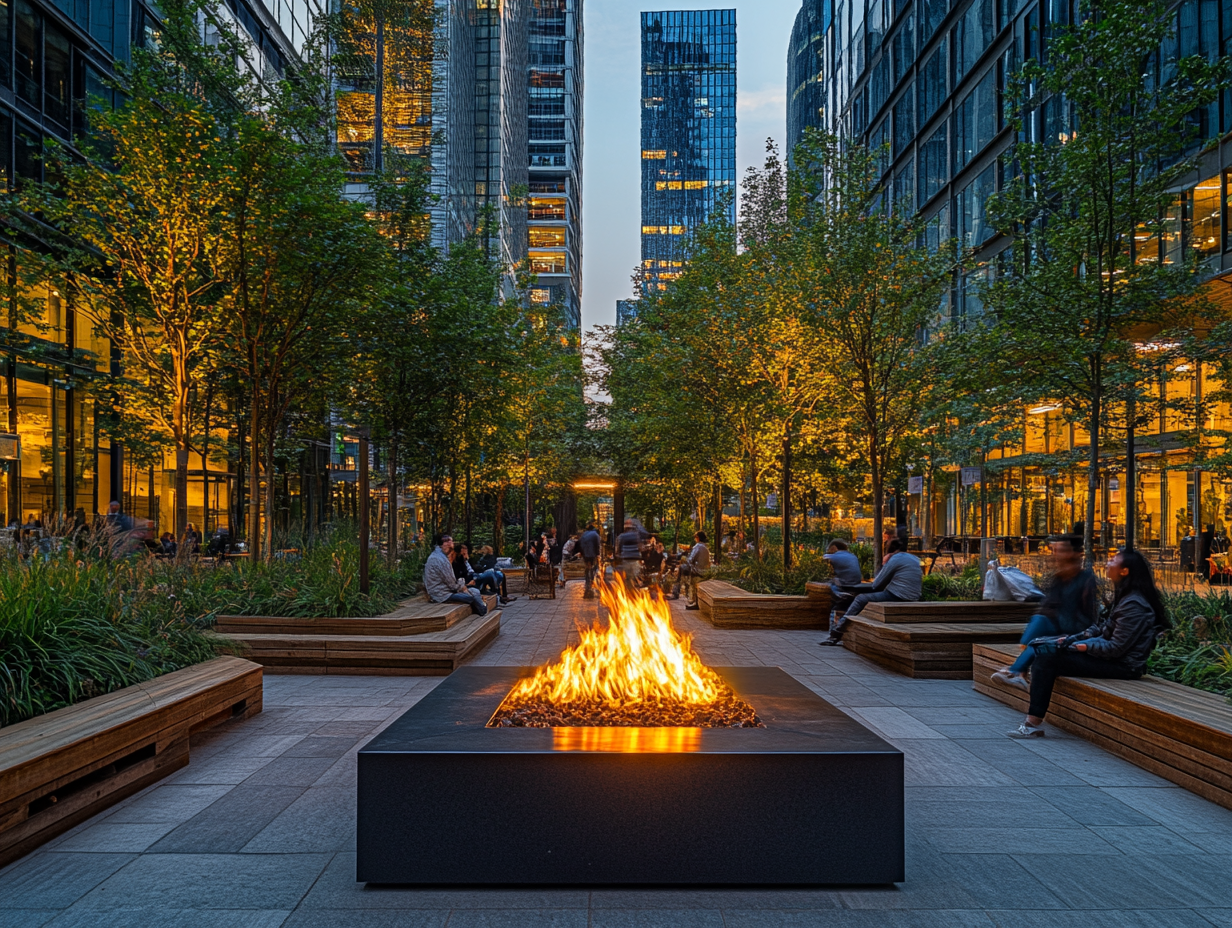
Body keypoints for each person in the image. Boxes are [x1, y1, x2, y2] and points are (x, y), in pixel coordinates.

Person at [1008, 549, 1169, 738]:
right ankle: (1028, 708)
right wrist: (1071, 639)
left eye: (1112, 560)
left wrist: (1081, 647)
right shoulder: (1125, 597)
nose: (1107, 563)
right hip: (1110, 658)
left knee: (1047, 659)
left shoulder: (1134, 605)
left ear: (1125, 571)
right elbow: (1099, 629)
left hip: (1124, 666)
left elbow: (1116, 648)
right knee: (1047, 648)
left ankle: (1032, 723)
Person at [991, 534, 1100, 690]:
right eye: (1055, 550)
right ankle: (1019, 672)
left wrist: (1081, 636)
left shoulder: (1086, 578)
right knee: (1038, 626)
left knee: (1039, 633)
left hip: (1074, 629)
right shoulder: (1059, 578)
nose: (1057, 554)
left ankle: (1016, 671)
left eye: (1062, 550)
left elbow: (1089, 613)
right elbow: (1049, 604)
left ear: (1075, 553)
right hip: (1057, 624)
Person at [821, 537, 922, 645]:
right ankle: (839, 631)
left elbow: (877, 584)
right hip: (914, 596)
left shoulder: (895, 559)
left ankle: (836, 633)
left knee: (860, 598)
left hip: (898, 595)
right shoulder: (914, 558)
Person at [423, 533, 487, 615]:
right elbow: (452, 584)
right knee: (471, 595)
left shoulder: (439, 556)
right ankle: (483, 609)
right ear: (445, 544)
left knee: (474, 591)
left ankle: (481, 607)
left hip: (445, 591)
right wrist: (462, 584)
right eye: (451, 544)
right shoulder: (440, 560)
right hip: (442, 595)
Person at [675, 531, 711, 608]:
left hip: (698, 571)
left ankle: (676, 592)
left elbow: (690, 560)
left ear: (698, 538)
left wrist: (684, 556)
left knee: (681, 567)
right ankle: (692, 598)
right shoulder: (705, 547)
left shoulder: (697, 547)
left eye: (695, 537)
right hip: (705, 571)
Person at [615, 520, 643, 584]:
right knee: (636, 578)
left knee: (627, 578)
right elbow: (640, 547)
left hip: (626, 559)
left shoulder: (621, 536)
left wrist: (618, 555)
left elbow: (618, 548)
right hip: (635, 559)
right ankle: (636, 591)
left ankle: (628, 591)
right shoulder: (636, 535)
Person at [579, 522, 602, 598]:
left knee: (588, 567)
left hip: (585, 554)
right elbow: (597, 545)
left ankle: (587, 581)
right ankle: (591, 580)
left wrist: (582, 553)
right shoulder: (595, 534)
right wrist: (598, 554)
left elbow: (580, 543)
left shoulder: (584, 534)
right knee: (593, 568)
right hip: (592, 554)